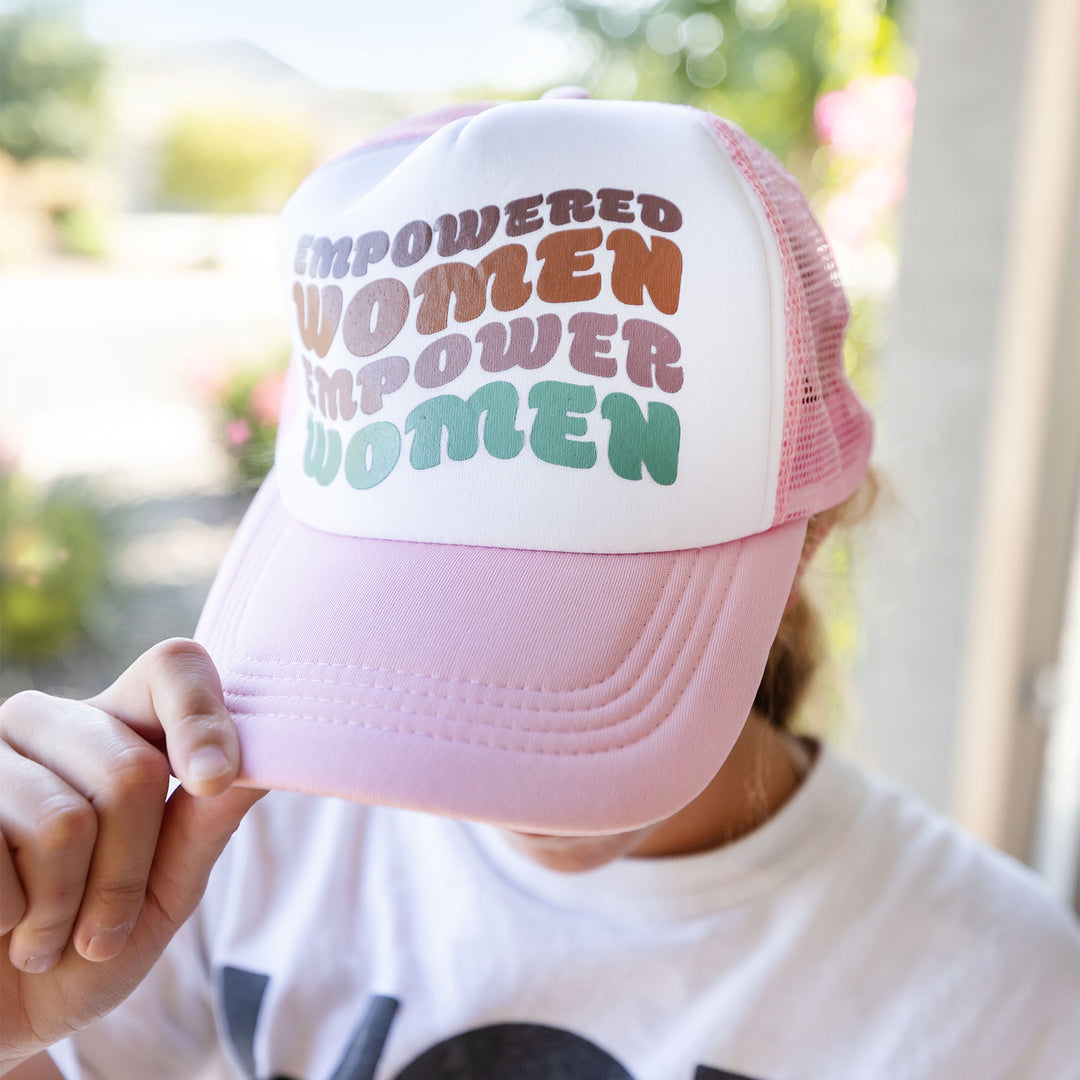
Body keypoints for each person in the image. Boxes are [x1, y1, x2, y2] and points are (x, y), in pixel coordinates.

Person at [1, 93, 1077, 1080]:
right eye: (399, 624)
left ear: (811, 530)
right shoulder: (226, 836)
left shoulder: (1003, 998)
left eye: (548, 630)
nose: (486, 767)